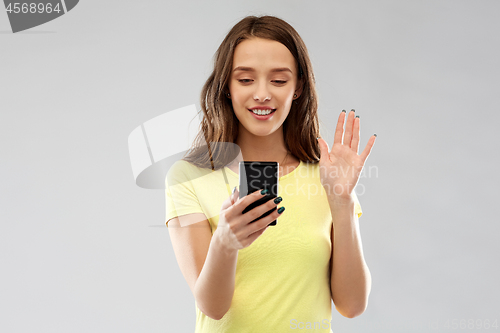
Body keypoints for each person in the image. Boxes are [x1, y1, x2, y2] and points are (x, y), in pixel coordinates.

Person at [164, 15, 376, 332]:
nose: (262, 94)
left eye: (278, 80)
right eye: (246, 79)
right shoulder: (188, 177)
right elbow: (212, 307)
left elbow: (352, 305)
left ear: (298, 87)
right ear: (226, 87)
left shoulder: (327, 176)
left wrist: (342, 201)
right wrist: (225, 242)